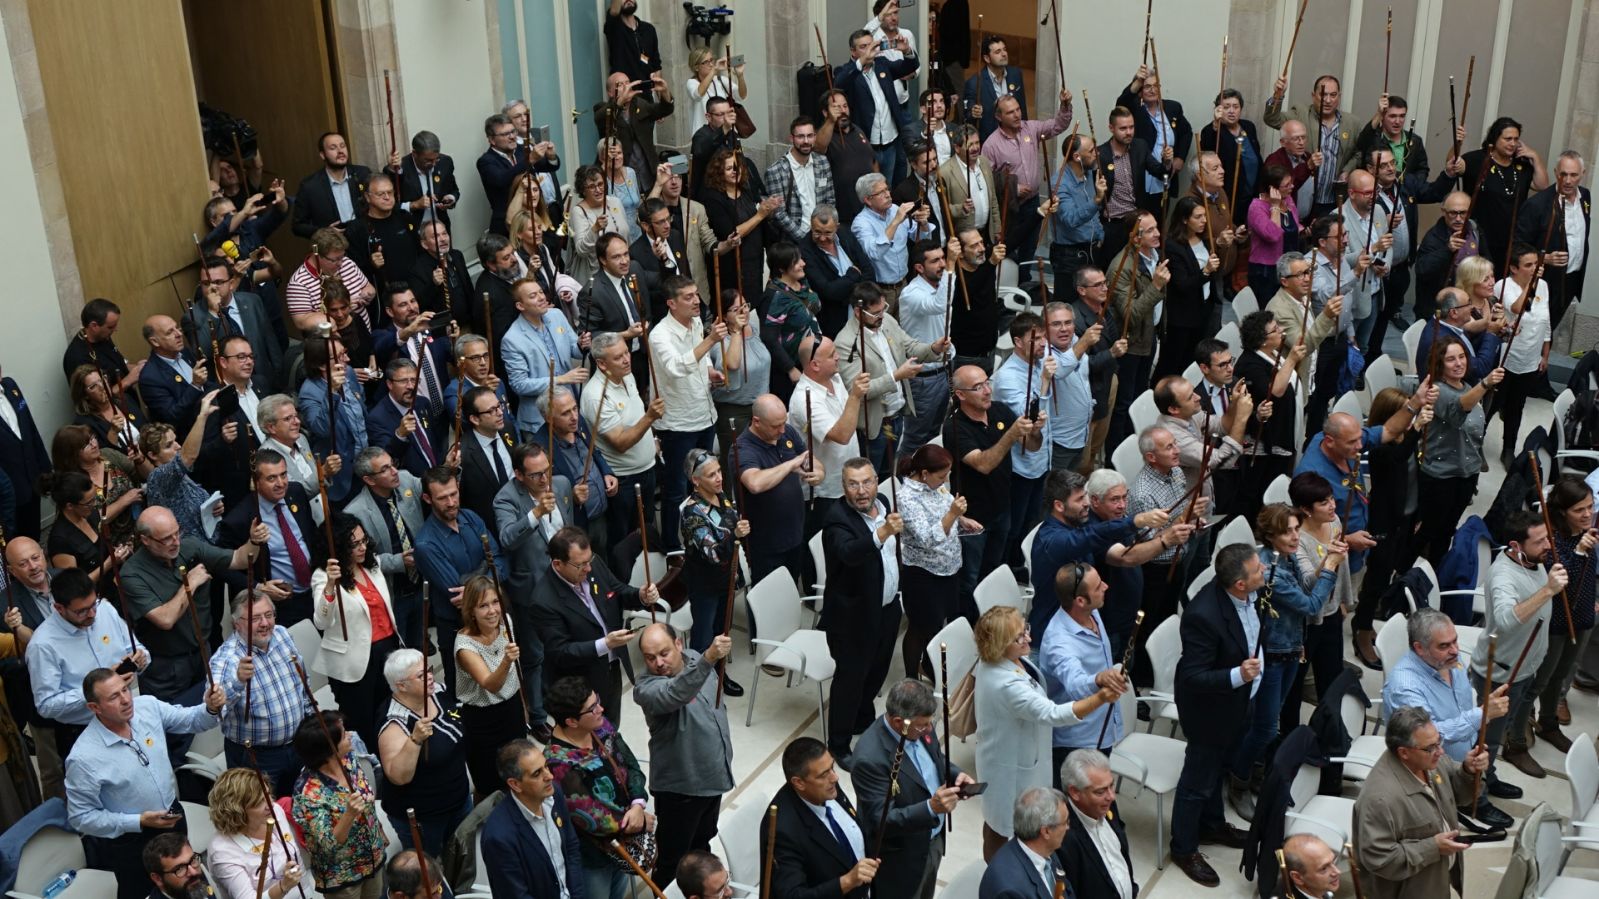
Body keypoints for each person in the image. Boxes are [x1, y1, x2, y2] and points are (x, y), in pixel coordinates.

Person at [65, 667, 224, 899]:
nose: (126, 700)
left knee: (187, 880)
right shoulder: (83, 758)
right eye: (114, 697)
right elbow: (81, 817)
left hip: (173, 817)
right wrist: (137, 821)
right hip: (132, 839)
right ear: (94, 708)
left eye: (125, 689)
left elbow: (191, 720)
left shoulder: (147, 706)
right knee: (141, 892)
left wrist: (210, 707)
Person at [976, 604, 1118, 860]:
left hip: (1020, 754)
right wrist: (1100, 698)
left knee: (1002, 821)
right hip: (1009, 768)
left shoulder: (1011, 659)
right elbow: (1052, 714)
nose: (1028, 638)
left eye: (1025, 629)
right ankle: (997, 876)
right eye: (1019, 636)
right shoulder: (1006, 684)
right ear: (1000, 644)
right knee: (1000, 826)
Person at [1227, 503, 1339, 820]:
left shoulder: (1284, 557)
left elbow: (1305, 585)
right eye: (1287, 531)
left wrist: (1322, 568)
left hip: (1289, 647)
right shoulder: (1268, 570)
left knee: (1270, 719)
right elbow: (1310, 604)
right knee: (1265, 727)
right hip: (1272, 655)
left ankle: (1259, 773)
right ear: (1270, 535)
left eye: (1295, 529)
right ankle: (1239, 779)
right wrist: (1330, 566)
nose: (1294, 536)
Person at [1168, 544, 1262, 886]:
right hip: (1210, 710)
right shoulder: (1203, 616)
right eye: (1257, 569)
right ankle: (1184, 846)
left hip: (1238, 702)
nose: (1263, 570)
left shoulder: (1247, 595)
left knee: (1217, 769)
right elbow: (1194, 677)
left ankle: (1211, 825)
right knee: (1197, 779)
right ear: (1239, 584)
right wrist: (1239, 675)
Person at [122, 505, 273, 702]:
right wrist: (190, 584)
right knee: (175, 726)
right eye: (166, 538)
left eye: (177, 532)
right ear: (145, 540)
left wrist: (253, 541)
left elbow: (239, 559)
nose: (175, 542)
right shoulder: (132, 573)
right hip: (167, 667)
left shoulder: (190, 545)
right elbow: (165, 619)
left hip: (203, 653)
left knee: (211, 712)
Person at [1384, 608, 1515, 831]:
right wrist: (1481, 715)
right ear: (1419, 648)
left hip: (1467, 743)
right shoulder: (1405, 687)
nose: (1455, 650)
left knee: (1483, 756)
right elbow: (1431, 736)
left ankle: (1485, 779)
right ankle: (1472, 802)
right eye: (1444, 646)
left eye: (1455, 641)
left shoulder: (1447, 657)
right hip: (1439, 763)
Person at [634, 624, 735, 889]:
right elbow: (677, 692)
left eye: (664, 653)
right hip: (681, 790)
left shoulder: (694, 659)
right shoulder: (647, 689)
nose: (658, 663)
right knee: (673, 861)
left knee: (702, 847)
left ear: (678, 644)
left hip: (713, 777)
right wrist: (709, 658)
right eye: (650, 657)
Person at [852, 679, 973, 899]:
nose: (928, 729)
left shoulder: (918, 726)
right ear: (899, 721)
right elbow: (881, 820)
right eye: (923, 725)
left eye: (929, 723)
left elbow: (935, 758)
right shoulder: (869, 759)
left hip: (932, 840)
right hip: (901, 860)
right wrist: (930, 807)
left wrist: (955, 775)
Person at [1471, 510, 1567, 784]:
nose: (1548, 546)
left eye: (1547, 538)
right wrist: (1548, 590)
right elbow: (1503, 619)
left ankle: (1488, 776)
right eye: (1539, 542)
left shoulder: (1533, 560)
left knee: (1498, 734)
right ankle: (1477, 789)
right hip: (1502, 672)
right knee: (1487, 738)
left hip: (1526, 666)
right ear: (1515, 546)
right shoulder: (1503, 575)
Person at [1352, 707, 1489, 899]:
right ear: (1404, 752)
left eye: (1439, 741)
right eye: (1430, 747)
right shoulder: (1380, 800)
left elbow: (1459, 795)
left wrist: (1468, 770)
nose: (1440, 751)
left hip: (1436, 878)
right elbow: (1380, 859)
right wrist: (1433, 848)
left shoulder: (1430, 761)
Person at [822, 457, 904, 764]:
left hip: (886, 608)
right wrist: (882, 533)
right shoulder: (836, 519)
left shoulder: (883, 502)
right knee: (849, 681)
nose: (861, 491)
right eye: (853, 484)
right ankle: (839, 743)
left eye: (867, 482)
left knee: (876, 672)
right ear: (843, 487)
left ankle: (861, 718)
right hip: (852, 618)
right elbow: (849, 553)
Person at [530, 527, 656, 726]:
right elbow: (560, 652)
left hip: (611, 669)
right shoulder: (543, 600)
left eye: (589, 560)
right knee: (590, 742)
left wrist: (640, 595)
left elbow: (616, 591)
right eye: (581, 565)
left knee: (612, 729)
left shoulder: (592, 564)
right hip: (579, 685)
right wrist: (605, 644)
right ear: (557, 563)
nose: (589, 568)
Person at [946, 364, 1041, 616]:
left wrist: (1035, 430)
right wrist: (1011, 434)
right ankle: (966, 625)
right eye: (978, 387)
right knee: (970, 580)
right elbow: (983, 464)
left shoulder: (999, 411)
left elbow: (1031, 446)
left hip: (1001, 507)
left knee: (993, 570)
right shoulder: (955, 427)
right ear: (961, 395)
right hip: (973, 517)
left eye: (987, 383)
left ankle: (989, 623)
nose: (987, 391)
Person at [544, 675, 651, 899]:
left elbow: (631, 764)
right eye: (592, 708)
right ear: (572, 721)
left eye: (598, 701)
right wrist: (635, 822)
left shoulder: (600, 727)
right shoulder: (558, 763)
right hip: (592, 857)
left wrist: (638, 804)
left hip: (622, 842)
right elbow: (590, 816)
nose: (601, 709)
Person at [492, 443, 568, 741]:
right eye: (536, 474)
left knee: (563, 645)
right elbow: (508, 537)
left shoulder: (560, 484)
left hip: (564, 581)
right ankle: (537, 715)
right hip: (533, 588)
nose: (545, 479)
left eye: (547, 470)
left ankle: (561, 700)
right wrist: (536, 511)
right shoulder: (506, 498)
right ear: (519, 474)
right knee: (534, 654)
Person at [310, 514, 401, 750]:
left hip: (387, 649)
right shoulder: (323, 576)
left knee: (392, 712)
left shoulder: (372, 566)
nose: (363, 547)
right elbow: (321, 621)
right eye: (355, 544)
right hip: (355, 662)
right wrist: (331, 585)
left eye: (364, 541)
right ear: (339, 547)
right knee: (363, 722)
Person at [209, 588, 310, 797]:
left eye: (268, 615)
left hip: (298, 745)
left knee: (297, 810)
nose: (265, 623)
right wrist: (237, 681)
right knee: (262, 820)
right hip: (255, 758)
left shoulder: (281, 634)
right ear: (237, 624)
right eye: (255, 618)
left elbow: (302, 682)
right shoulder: (224, 660)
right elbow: (216, 710)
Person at [1037, 561, 1134, 773]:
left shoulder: (1091, 611)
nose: (1106, 586)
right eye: (1098, 586)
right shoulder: (1059, 643)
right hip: (1078, 742)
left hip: (1103, 727)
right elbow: (1076, 684)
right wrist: (1100, 678)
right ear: (1080, 600)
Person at [1415, 335, 1504, 565]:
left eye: (1462, 357)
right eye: (1451, 359)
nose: (1459, 363)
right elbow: (1457, 412)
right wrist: (1484, 384)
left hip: (1467, 471)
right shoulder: (1438, 391)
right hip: (1441, 473)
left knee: (1447, 529)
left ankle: (1436, 571)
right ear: (1439, 364)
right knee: (1430, 530)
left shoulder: (1466, 387)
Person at [413, 465, 503, 690]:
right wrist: (486, 570)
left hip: (491, 620)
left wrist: (481, 579)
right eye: (443, 498)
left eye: (454, 494)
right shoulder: (425, 544)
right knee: (466, 692)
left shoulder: (471, 518)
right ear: (427, 498)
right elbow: (459, 594)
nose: (451, 502)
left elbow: (500, 560)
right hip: (457, 628)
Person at [377, 648, 472, 856]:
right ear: (401, 685)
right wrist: (415, 740)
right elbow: (399, 777)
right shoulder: (395, 723)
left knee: (461, 861)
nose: (430, 676)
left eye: (428, 670)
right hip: (424, 817)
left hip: (459, 800)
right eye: (421, 675)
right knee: (429, 872)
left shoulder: (438, 691)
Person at [764, 736, 879, 899]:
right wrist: (847, 881)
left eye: (832, 767)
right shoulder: (783, 831)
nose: (835, 777)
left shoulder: (826, 786)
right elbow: (793, 896)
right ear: (799, 783)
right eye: (824, 774)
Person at [290, 709, 389, 899]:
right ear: (329, 750)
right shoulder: (308, 793)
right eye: (344, 736)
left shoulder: (349, 760)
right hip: (343, 877)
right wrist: (349, 814)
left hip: (373, 858)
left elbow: (367, 805)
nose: (350, 736)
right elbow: (328, 845)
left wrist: (379, 831)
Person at [1531, 475, 1596, 753]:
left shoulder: (1587, 533)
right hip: (1557, 620)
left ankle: (1548, 724)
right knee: (1542, 679)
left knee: (1561, 676)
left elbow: (1588, 576)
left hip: (1582, 616)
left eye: (1590, 507)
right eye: (1579, 510)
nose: (1588, 514)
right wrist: (1580, 552)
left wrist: (1592, 600)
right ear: (1562, 511)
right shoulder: (1552, 542)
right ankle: (1518, 732)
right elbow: (1559, 584)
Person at [453, 573, 529, 800]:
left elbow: (515, 678)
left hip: (512, 708)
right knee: (490, 781)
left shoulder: (506, 622)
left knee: (520, 770)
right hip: (482, 719)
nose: (493, 611)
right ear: (471, 611)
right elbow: (490, 685)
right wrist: (506, 660)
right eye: (483, 606)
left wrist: (522, 707)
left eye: (495, 602)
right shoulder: (465, 646)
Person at [736, 394, 823, 587]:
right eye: (776, 426)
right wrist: (791, 464)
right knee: (766, 599)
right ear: (756, 421)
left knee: (789, 589)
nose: (782, 430)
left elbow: (808, 458)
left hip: (794, 534)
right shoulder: (743, 448)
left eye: (784, 423)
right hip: (766, 544)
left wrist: (818, 472)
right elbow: (755, 483)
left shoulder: (786, 432)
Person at [895, 445, 966, 680]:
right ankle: (910, 678)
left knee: (939, 624)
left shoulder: (937, 485)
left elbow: (946, 505)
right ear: (924, 474)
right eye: (942, 476)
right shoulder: (907, 498)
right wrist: (952, 515)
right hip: (923, 573)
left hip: (949, 567)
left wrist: (962, 519)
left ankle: (928, 665)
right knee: (920, 628)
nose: (946, 480)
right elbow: (927, 538)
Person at [482, 738, 586, 899]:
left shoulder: (554, 794)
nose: (549, 776)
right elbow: (516, 894)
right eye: (537, 773)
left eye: (546, 766)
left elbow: (571, 847)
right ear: (515, 784)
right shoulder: (499, 837)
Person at [343, 448, 426, 649]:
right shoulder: (356, 512)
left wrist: (450, 468)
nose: (394, 471)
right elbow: (361, 558)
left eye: (392, 464)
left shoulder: (406, 480)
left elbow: (432, 487)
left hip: (422, 585)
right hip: (392, 594)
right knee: (398, 654)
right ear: (370, 480)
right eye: (385, 469)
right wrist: (398, 561)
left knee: (419, 649)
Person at [677, 450, 747, 685]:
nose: (719, 478)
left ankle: (719, 674)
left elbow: (731, 519)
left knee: (722, 630)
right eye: (711, 475)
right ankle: (698, 684)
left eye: (719, 472)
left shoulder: (720, 495)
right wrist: (735, 534)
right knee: (704, 636)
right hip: (704, 583)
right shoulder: (691, 512)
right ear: (696, 481)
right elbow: (713, 553)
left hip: (726, 579)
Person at [984, 89, 1074, 265]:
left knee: (1029, 250)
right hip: (1010, 207)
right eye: (1010, 112)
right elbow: (986, 179)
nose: (1017, 115)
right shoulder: (991, 145)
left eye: (1018, 109)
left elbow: (1058, 125)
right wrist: (1013, 187)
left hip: (1032, 203)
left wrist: (1064, 105)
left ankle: (1024, 285)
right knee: (1010, 251)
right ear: (999, 117)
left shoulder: (1031, 128)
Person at [1459, 117, 1549, 275]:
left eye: (1516, 139)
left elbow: (1542, 185)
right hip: (1480, 237)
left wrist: (1534, 156)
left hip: (1510, 241)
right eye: (1508, 139)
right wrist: (1457, 143)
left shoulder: (1521, 165)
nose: (1513, 143)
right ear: (1495, 138)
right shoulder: (1477, 159)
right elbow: (1453, 166)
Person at [205, 767, 308, 899]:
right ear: (237, 810)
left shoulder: (275, 811)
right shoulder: (222, 852)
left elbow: (296, 861)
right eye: (259, 802)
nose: (270, 803)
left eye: (268, 794)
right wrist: (283, 886)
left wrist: (307, 892)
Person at [1493, 242, 1553, 464]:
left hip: (1530, 357)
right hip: (1505, 357)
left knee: (1516, 406)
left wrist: (1545, 354)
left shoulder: (1544, 286)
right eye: (1528, 265)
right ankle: (1476, 443)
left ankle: (1508, 447)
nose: (1535, 268)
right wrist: (1532, 283)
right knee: (1494, 403)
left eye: (1536, 264)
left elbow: (1545, 320)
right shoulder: (1503, 286)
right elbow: (1518, 308)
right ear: (1514, 268)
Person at [835, 29, 920, 185]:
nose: (869, 50)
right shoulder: (846, 71)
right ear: (853, 52)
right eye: (863, 47)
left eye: (871, 45)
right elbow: (839, 83)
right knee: (868, 189)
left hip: (890, 142)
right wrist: (861, 63)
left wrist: (907, 50)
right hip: (866, 146)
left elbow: (910, 66)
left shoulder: (882, 64)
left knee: (886, 187)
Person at [700, 148, 783, 304]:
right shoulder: (713, 198)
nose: (735, 171)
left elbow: (758, 218)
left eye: (737, 166)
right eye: (729, 168)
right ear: (718, 172)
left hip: (755, 260)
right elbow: (731, 233)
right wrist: (760, 215)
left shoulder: (745, 190)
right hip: (733, 264)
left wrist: (768, 209)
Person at [1518, 150, 1590, 327]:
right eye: (1563, 174)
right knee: (1533, 330)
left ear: (1583, 174)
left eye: (1573, 175)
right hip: (1545, 281)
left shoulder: (1585, 197)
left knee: (1551, 330)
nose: (1567, 180)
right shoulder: (1537, 205)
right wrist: (1544, 258)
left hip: (1572, 280)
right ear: (1556, 173)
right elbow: (1517, 244)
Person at [1058, 749, 1137, 899]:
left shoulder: (1105, 805)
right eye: (1100, 792)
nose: (1111, 797)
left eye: (1111, 786)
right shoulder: (1063, 838)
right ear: (1075, 792)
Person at [1161, 197, 1223, 382]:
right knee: (1173, 363)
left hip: (1202, 310)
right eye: (1198, 217)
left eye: (1205, 216)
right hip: (1182, 316)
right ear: (1184, 219)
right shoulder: (1173, 246)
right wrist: (1206, 272)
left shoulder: (1204, 239)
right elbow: (1182, 285)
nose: (1204, 220)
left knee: (1192, 360)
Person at [977, 787, 1072, 899]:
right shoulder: (1010, 891)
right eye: (1065, 822)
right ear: (1046, 831)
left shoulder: (1046, 851)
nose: (1068, 827)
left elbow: (1067, 892)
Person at [137, 314, 210, 439]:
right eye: (170, 332)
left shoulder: (185, 353)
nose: (179, 334)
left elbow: (207, 384)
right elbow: (171, 417)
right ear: (154, 341)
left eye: (177, 328)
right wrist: (195, 385)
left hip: (213, 424)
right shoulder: (150, 378)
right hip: (194, 438)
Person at [766, 116, 836, 244]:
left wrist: (825, 231)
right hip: (794, 241)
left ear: (815, 137)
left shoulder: (822, 162)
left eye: (810, 136)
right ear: (791, 138)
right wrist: (803, 238)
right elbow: (779, 214)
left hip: (822, 237)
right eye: (800, 136)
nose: (806, 141)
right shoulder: (776, 171)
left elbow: (830, 200)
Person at [291, 132, 371, 237]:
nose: (340, 151)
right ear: (322, 155)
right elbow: (298, 226)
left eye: (343, 146)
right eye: (333, 148)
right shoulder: (310, 186)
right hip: (333, 246)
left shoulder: (362, 174)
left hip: (364, 239)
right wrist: (324, 232)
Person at [962, 36, 1027, 143]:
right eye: (998, 52)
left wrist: (1024, 134)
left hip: (1015, 137)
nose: (1004, 54)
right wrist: (974, 113)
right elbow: (967, 118)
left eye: (1004, 49)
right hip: (991, 142)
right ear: (987, 58)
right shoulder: (975, 83)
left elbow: (1022, 108)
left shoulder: (1016, 74)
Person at [69, 364, 144, 457]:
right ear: (85, 395)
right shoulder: (84, 424)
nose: (102, 386)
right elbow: (104, 458)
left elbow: (146, 427)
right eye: (93, 386)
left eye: (102, 379)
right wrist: (113, 432)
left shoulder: (126, 400)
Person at [142, 834, 218, 899]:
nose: (193, 872)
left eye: (193, 860)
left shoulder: (197, 884)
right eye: (180, 869)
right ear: (158, 879)